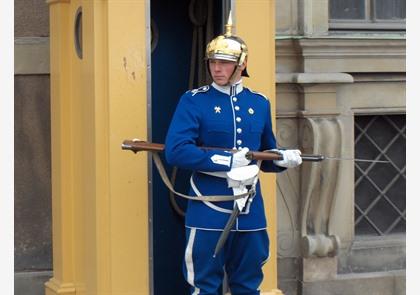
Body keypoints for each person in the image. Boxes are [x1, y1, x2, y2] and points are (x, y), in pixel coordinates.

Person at [164, 15, 302, 295]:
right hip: (209, 206)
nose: (217, 69)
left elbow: (264, 154)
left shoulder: (259, 103)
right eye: (213, 62)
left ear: (242, 64)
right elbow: (176, 151)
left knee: (248, 283)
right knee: (204, 284)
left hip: (250, 210)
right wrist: (227, 161)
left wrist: (282, 159)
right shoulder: (194, 101)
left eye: (224, 63)